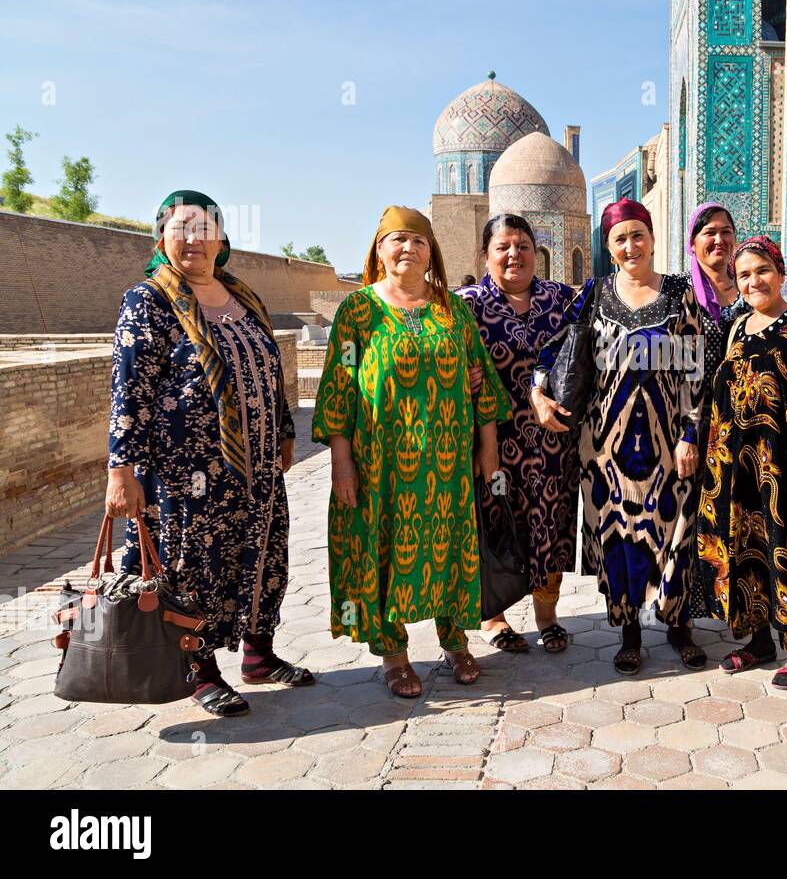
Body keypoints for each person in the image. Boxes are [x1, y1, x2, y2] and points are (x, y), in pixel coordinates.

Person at [106, 189, 311, 717]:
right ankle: (198, 671)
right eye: (181, 228)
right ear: (161, 237)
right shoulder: (150, 300)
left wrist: (286, 428)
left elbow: (268, 370)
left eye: (205, 228)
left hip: (256, 469)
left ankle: (259, 656)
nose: (193, 239)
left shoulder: (242, 295)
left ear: (221, 240)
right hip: (185, 476)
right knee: (192, 567)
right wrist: (121, 469)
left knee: (264, 559)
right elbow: (130, 391)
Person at [313, 206, 510, 696]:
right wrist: (341, 459)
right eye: (397, 240)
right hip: (380, 466)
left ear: (432, 252)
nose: (408, 249)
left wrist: (489, 449)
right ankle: (394, 655)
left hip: (447, 467)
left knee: (450, 551)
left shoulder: (451, 310)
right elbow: (340, 384)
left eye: (419, 241)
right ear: (379, 250)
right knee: (381, 553)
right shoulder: (358, 312)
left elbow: (480, 378)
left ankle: (455, 640)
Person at [531, 199, 707, 675]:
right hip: (604, 444)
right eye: (620, 239)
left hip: (668, 442)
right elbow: (554, 350)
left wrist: (691, 432)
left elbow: (695, 370)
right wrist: (538, 392)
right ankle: (629, 631)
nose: (631, 246)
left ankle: (678, 627)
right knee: (619, 535)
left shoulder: (678, 293)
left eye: (638, 235)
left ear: (651, 238)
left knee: (676, 530)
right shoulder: (594, 294)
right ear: (608, 247)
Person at [698, 236, 787, 688]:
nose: (754, 281)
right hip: (736, 469)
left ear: (780, 272)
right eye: (744, 275)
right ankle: (759, 640)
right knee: (744, 549)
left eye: (762, 270)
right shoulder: (738, 327)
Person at [460, 214, 579, 654]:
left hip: (552, 444)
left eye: (523, 245)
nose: (515, 255)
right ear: (486, 255)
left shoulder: (561, 299)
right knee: (496, 524)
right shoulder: (466, 306)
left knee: (550, 525)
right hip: (495, 443)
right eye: (503, 247)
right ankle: (493, 617)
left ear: (538, 251)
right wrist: (462, 377)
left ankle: (547, 616)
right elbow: (441, 360)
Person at [685, 201, 746, 620]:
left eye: (726, 231)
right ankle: (687, 613)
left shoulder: (751, 287)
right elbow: (675, 368)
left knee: (739, 514)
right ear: (693, 243)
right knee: (692, 519)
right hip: (696, 424)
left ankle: (740, 606)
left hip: (743, 426)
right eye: (709, 232)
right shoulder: (679, 294)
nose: (718, 240)